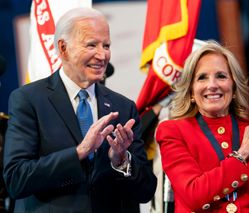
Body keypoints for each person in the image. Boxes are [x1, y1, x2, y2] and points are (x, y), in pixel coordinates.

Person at [3, 7, 156, 213]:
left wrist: (121, 161)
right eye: (91, 45)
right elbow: (16, 179)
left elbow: (146, 191)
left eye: (106, 45)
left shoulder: (123, 108)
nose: (102, 55)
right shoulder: (29, 100)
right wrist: (79, 152)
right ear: (63, 48)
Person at [155, 40, 249, 212]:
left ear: (234, 87)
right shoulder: (172, 131)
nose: (212, 85)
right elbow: (194, 195)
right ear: (191, 92)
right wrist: (242, 154)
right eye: (202, 77)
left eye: (221, 76)